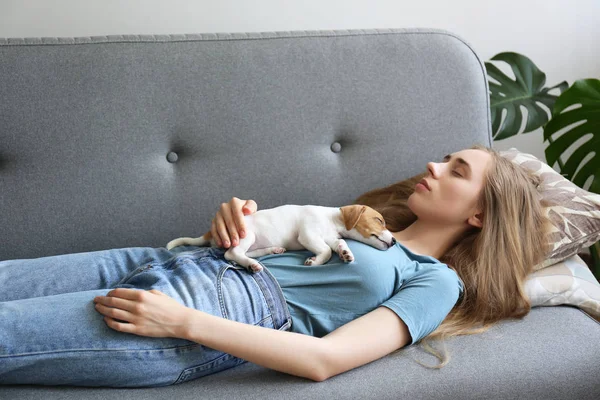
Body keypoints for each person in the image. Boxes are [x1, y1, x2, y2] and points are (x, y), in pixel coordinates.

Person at [0, 145, 550, 387]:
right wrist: (230, 226)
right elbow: (266, 239)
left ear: (480, 215)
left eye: (457, 170)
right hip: (163, 259)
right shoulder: (352, 225)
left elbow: (325, 360)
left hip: (197, 314)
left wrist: (182, 323)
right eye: (445, 157)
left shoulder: (436, 281)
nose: (433, 164)